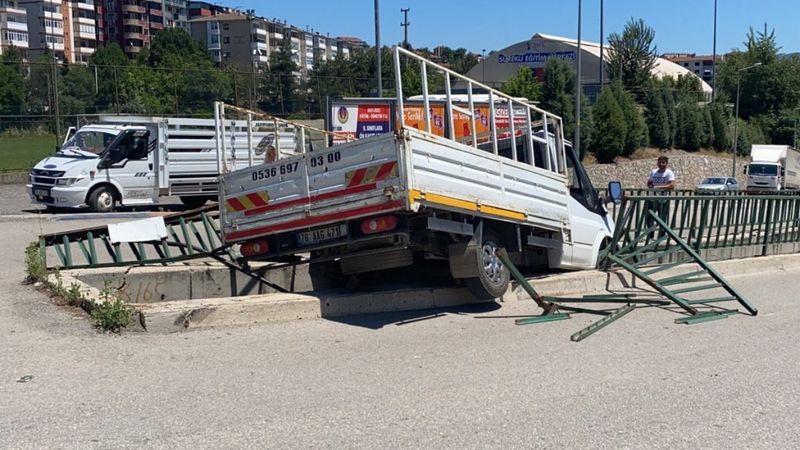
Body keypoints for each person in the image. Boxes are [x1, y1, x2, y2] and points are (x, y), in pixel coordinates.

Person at [645, 156, 675, 238]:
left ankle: (661, 236)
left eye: (663, 162)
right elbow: (649, 182)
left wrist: (659, 187)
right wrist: (650, 185)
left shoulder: (669, 173)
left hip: (663, 200)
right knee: (649, 218)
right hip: (652, 199)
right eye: (659, 162)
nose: (661, 164)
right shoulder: (653, 172)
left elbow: (672, 185)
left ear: (666, 163)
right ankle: (650, 235)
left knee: (662, 219)